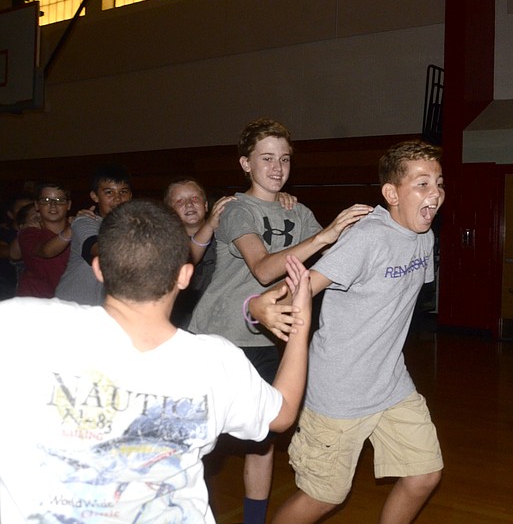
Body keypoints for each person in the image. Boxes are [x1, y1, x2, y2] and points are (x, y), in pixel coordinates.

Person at [0, 198, 313, 523]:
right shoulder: (216, 362)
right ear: (184, 276)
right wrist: (300, 322)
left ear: (99, 270)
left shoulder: (21, 323)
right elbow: (284, 412)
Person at [189, 118, 373, 524]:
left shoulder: (298, 210)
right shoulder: (237, 209)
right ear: (245, 164)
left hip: (269, 338)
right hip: (220, 337)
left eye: (284, 159)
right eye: (266, 159)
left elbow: (332, 257)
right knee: (200, 438)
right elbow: (264, 269)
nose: (277, 168)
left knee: (263, 440)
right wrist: (324, 235)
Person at [251, 139, 445, 524]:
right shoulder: (367, 237)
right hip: (338, 392)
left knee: (424, 475)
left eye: (439, 183)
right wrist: (261, 304)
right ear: (391, 193)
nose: (435, 194)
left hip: (390, 384)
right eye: (422, 184)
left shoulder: (424, 237)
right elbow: (306, 283)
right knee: (323, 497)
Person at [55, 164, 133, 305]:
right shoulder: (85, 221)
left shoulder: (135, 227)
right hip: (72, 308)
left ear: (130, 195)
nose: (117, 198)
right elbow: (96, 249)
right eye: (109, 192)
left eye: (123, 192)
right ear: (95, 196)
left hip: (106, 312)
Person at [164, 177, 235, 328]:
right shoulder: (165, 243)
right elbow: (186, 260)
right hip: (184, 325)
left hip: (223, 321)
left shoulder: (226, 235)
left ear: (206, 205)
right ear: (170, 211)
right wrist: (209, 225)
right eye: (180, 201)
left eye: (195, 198)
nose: (189, 204)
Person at [15, 183, 74, 298]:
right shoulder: (29, 232)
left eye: (60, 200)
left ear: (68, 205)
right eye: (46, 200)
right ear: (37, 205)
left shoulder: (81, 229)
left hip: (71, 302)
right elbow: (46, 251)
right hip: (36, 304)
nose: (53, 205)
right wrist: (73, 229)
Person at [0, 192, 33, 300]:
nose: (27, 212)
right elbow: (6, 252)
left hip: (31, 292)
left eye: (30, 207)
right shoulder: (4, 232)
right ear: (10, 214)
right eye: (22, 209)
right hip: (6, 288)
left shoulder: (39, 232)